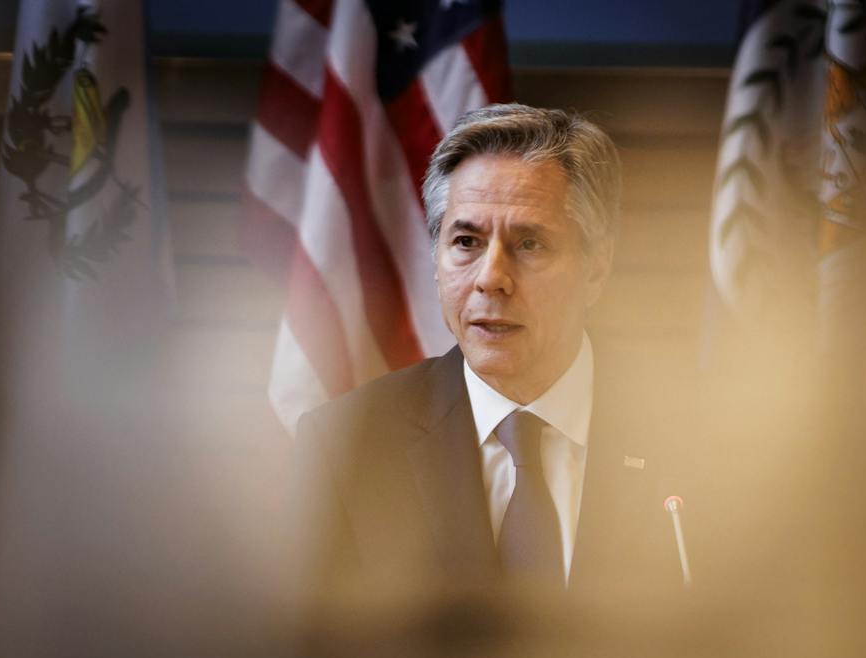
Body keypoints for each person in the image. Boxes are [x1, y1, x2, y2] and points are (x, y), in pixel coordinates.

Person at [293, 104, 692, 599]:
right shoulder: (347, 446)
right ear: (436, 260)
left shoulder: (701, 437)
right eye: (466, 241)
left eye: (530, 244)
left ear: (596, 268)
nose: (491, 279)